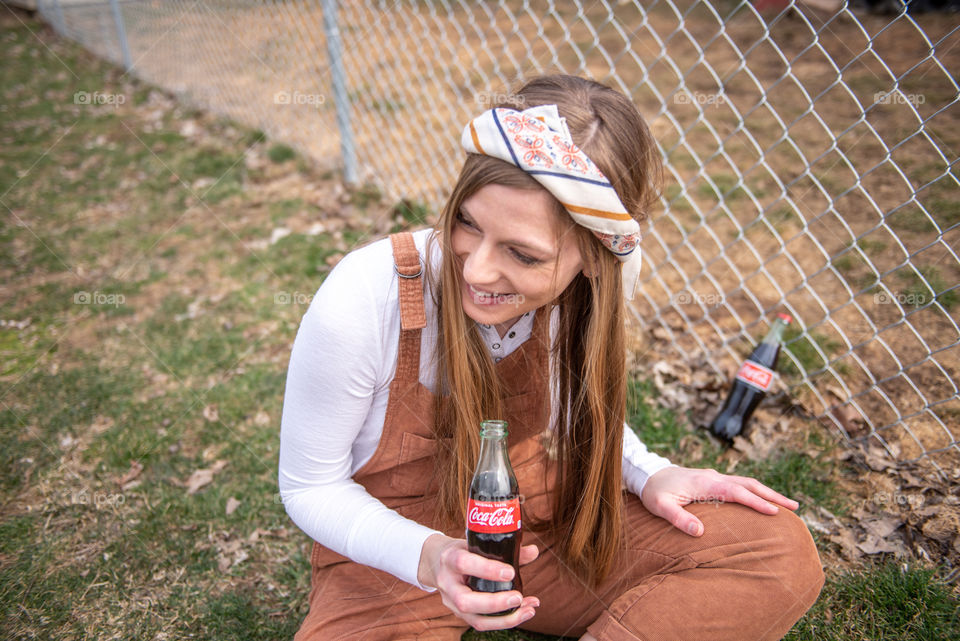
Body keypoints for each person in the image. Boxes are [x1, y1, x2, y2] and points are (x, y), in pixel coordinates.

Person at [279, 74, 824, 641]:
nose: (476, 270)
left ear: (592, 258)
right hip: (394, 560)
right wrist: (431, 555)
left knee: (774, 549)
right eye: (467, 222)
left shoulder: (577, 298)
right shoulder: (365, 296)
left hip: (540, 531)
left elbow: (575, 410)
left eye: (522, 253)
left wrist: (649, 472)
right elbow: (309, 487)